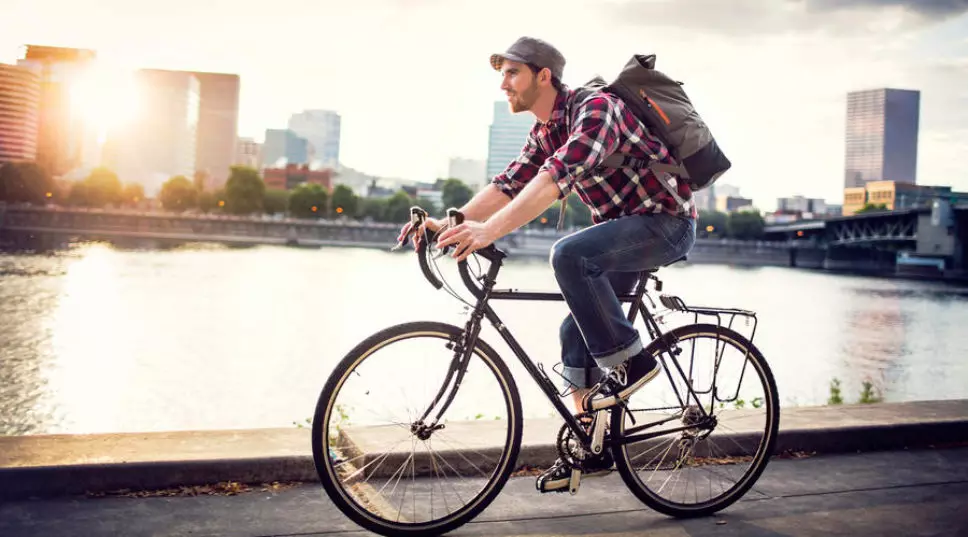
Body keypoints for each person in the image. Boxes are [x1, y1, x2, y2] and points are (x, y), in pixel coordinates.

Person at [397, 36, 697, 493]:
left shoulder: (596, 109)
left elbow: (555, 179)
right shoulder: (543, 131)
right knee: (573, 333)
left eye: (512, 73)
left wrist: (489, 232)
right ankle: (594, 449)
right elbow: (509, 183)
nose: (503, 84)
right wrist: (449, 222)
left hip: (665, 225)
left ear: (544, 76)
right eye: (501, 74)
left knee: (569, 254)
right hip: (623, 234)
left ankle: (635, 366)